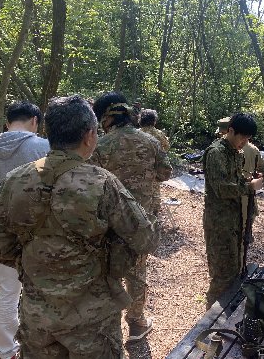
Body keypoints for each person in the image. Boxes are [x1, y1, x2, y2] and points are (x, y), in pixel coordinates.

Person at [0, 95, 156, 357]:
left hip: (38, 319)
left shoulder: (14, 180)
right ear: (89, 136)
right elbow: (145, 239)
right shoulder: (102, 183)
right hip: (92, 320)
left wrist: (32, 262)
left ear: (48, 132)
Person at [90, 92, 172, 342]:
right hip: (140, 222)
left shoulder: (99, 146)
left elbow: (89, 183)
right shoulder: (151, 141)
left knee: (107, 272)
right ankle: (136, 323)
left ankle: (108, 327)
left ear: (106, 119)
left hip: (107, 223)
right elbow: (165, 173)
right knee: (137, 272)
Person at [0, 101, 50, 359]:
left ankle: (5, 350)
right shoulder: (43, 147)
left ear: (8, 122)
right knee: (43, 291)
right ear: (34, 121)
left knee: (9, 293)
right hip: (40, 231)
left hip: (4, 233)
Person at [202, 112, 264, 308]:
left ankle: (225, 312)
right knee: (222, 274)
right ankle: (209, 318)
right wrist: (249, 187)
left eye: (248, 139)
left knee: (235, 269)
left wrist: (248, 180)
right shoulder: (216, 153)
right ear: (230, 131)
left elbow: (233, 180)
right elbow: (221, 188)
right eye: (242, 138)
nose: (244, 143)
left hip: (235, 220)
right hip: (219, 223)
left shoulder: (235, 152)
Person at [140, 109, 171, 216]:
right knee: (154, 192)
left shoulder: (136, 133)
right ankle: (154, 214)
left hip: (137, 168)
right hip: (153, 168)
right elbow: (166, 148)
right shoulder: (159, 134)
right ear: (154, 121)